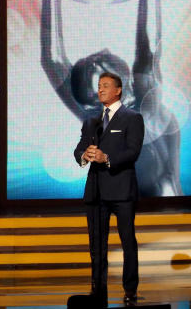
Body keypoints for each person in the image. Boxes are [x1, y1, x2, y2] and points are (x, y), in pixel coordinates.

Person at [43, 0, 181, 197]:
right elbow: (148, 50)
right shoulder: (139, 108)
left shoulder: (123, 112)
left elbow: (53, 59)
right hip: (150, 201)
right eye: (99, 60)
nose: (103, 51)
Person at [73, 71, 144, 306]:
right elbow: (79, 149)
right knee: (97, 244)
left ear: (118, 90)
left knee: (127, 241)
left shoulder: (132, 118)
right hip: (97, 191)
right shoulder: (91, 121)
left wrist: (107, 158)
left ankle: (130, 289)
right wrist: (85, 155)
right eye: (99, 86)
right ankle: (98, 289)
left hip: (122, 190)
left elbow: (133, 151)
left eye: (105, 85)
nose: (100, 89)